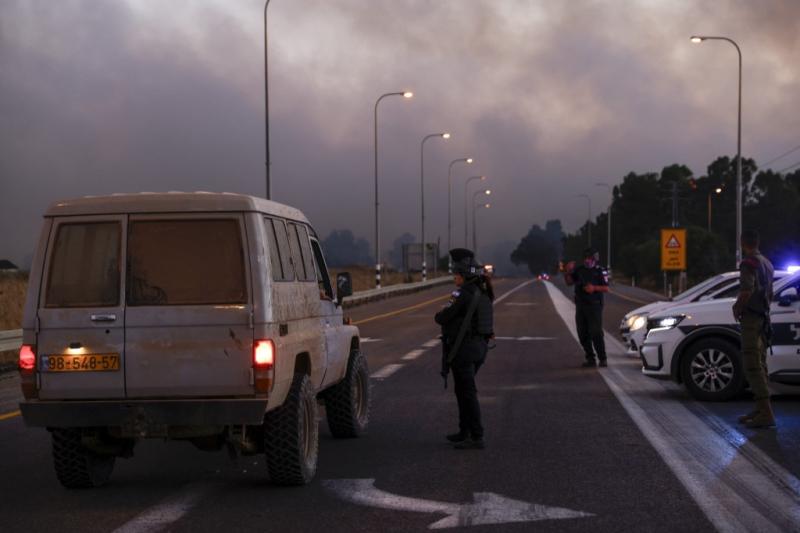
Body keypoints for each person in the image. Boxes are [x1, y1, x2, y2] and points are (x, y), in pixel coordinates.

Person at [435, 248, 494, 450]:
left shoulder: (462, 294)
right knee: (462, 390)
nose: (454, 277)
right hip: (479, 349)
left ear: (464, 275)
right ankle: (464, 431)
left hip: (464, 350)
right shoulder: (483, 291)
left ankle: (476, 436)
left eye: (456, 274)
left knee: (466, 392)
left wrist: (441, 313)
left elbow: (442, 317)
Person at [733, 229, 775, 429]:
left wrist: (737, 307)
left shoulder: (749, 263)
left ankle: (766, 412)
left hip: (751, 319)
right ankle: (760, 408)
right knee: (761, 364)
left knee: (752, 365)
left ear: (743, 243)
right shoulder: (767, 263)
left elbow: (746, 290)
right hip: (763, 319)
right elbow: (770, 293)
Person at [564, 248, 609, 367]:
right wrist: (568, 272)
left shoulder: (600, 271)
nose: (587, 260)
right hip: (581, 306)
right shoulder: (579, 270)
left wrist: (594, 288)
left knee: (596, 332)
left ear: (595, 259)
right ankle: (590, 358)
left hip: (594, 305)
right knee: (582, 333)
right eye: (585, 258)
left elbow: (606, 288)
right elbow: (569, 283)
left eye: (589, 258)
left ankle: (602, 358)